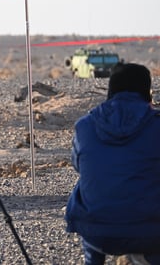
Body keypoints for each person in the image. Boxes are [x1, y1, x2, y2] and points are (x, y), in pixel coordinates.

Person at [65, 62, 160, 265]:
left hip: (96, 231)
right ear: (147, 92)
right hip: (150, 231)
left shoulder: (85, 125)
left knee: (86, 185)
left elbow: (78, 165)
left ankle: (93, 261)